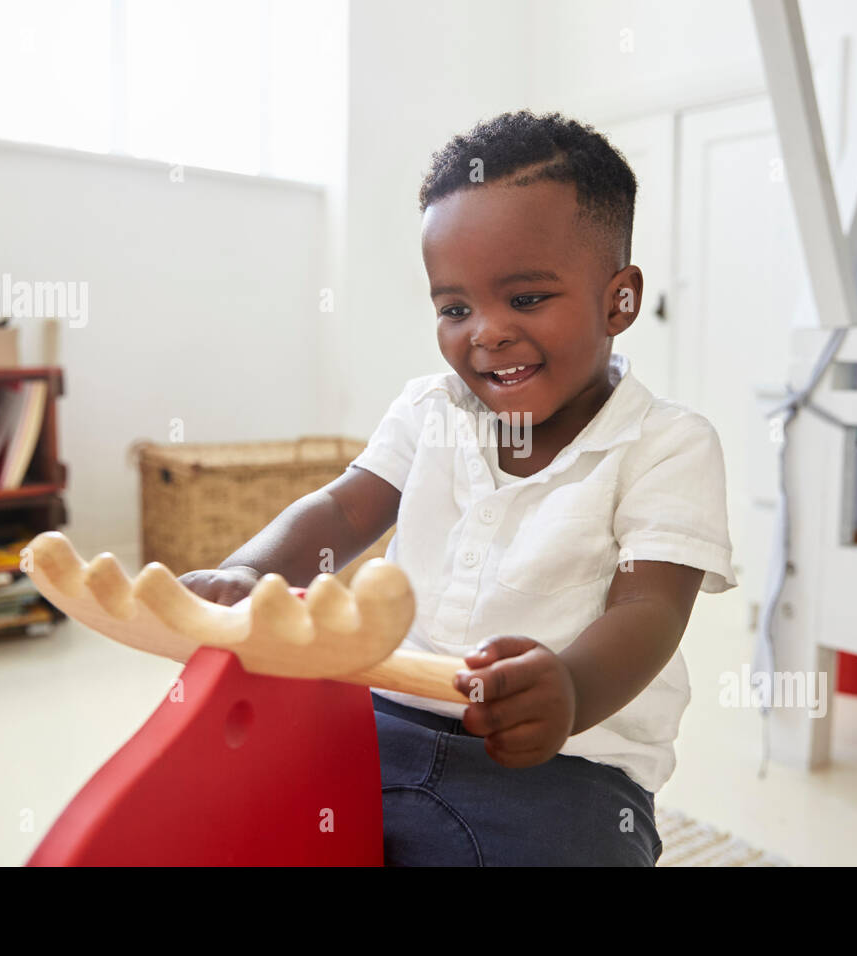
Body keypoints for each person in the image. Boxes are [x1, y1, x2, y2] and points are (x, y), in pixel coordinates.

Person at [181, 110, 736, 865]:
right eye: (455, 307)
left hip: (563, 763)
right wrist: (251, 569)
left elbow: (649, 606)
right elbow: (344, 509)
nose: (487, 332)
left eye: (527, 299)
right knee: (229, 816)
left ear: (620, 300)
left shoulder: (669, 445)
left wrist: (569, 688)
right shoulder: (430, 410)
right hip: (382, 718)